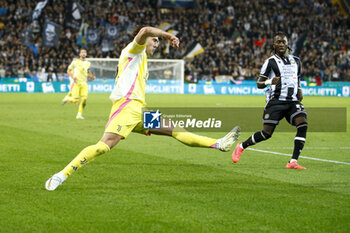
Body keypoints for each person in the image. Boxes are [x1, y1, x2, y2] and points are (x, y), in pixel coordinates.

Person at [45, 26, 241, 191]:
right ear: (144, 40)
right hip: (127, 107)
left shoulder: (143, 60)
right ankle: (61, 175)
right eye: (154, 40)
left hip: (140, 110)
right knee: (104, 146)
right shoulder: (133, 50)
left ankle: (219, 143)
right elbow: (146, 29)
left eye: (158, 41)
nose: (156, 44)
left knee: (175, 129)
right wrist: (168, 35)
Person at [232, 31, 307, 169]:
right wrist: (270, 81)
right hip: (275, 102)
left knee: (303, 125)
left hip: (292, 101)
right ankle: (242, 146)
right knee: (266, 133)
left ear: (287, 44)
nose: (281, 44)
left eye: (284, 41)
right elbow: (259, 84)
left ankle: (293, 162)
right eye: (278, 42)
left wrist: (300, 90)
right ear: (274, 45)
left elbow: (298, 78)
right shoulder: (270, 62)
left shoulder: (296, 60)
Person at [62, 48, 96, 119]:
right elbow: (68, 70)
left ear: (86, 54)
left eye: (85, 52)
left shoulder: (88, 63)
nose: (83, 53)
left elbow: (87, 72)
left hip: (84, 83)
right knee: (75, 100)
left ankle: (79, 114)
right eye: (82, 52)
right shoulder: (75, 62)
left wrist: (92, 76)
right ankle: (67, 98)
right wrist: (72, 76)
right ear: (79, 54)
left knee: (84, 99)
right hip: (76, 83)